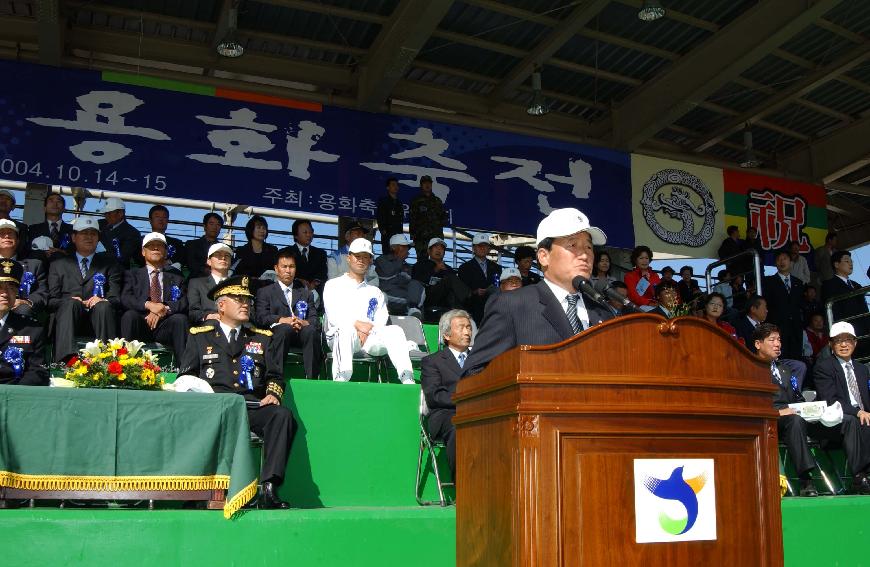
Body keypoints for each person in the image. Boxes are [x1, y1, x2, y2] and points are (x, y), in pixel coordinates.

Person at [178, 275, 296, 509]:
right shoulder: (200, 336)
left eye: (248, 300)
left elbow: (274, 375)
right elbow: (185, 377)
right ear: (221, 305)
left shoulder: (261, 339)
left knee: (282, 416)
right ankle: (198, 489)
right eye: (238, 298)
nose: (245, 304)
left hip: (250, 407)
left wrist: (273, 394)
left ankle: (269, 487)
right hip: (213, 410)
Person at [464, 208, 614, 375]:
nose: (585, 255)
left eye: (588, 247)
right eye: (573, 245)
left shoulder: (603, 312)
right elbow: (474, 374)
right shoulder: (512, 305)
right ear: (544, 256)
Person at [323, 238, 415, 384]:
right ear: (349, 258)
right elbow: (334, 317)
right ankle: (341, 379)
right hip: (342, 336)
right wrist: (358, 325)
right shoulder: (333, 285)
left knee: (395, 330)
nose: (361, 260)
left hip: (369, 337)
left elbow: (380, 320)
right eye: (357, 256)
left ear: (371, 260)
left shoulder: (375, 291)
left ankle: (407, 377)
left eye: (366, 257)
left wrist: (367, 331)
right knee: (344, 330)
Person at [753, 323, 819, 497]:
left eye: (779, 340)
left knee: (811, 418)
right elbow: (750, 404)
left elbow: (797, 397)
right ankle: (806, 479)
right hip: (768, 419)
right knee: (795, 421)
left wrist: (810, 408)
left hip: (791, 417)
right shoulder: (751, 370)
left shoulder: (785, 369)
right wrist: (778, 413)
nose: (777, 344)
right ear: (758, 344)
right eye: (772, 340)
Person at [47, 217, 122, 362]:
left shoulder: (110, 264)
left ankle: (107, 362)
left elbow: (115, 298)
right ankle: (65, 361)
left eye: (93, 234)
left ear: (98, 238)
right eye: (84, 233)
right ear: (74, 237)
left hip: (99, 320)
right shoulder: (58, 264)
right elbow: (51, 300)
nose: (89, 237)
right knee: (70, 304)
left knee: (104, 306)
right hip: (68, 320)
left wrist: (102, 299)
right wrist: (68, 301)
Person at [813, 322, 870, 495]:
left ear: (855, 343)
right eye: (838, 341)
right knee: (855, 420)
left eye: (848, 340)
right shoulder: (824, 367)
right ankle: (860, 477)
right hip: (834, 422)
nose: (844, 344)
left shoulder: (862, 369)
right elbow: (831, 400)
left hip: (859, 418)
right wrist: (858, 411)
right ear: (831, 344)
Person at [255, 248, 323, 380]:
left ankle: (312, 378)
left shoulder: (305, 293)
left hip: (301, 332)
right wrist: (282, 319)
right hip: (278, 334)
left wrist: (304, 322)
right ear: (276, 269)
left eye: (291, 266)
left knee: (311, 331)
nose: (288, 270)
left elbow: (315, 320)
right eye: (284, 266)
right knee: (284, 329)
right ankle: (275, 379)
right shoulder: (265, 292)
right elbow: (261, 317)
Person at [421, 309, 472, 480]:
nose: (467, 332)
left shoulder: (480, 361)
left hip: (478, 412)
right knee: (460, 425)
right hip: (446, 414)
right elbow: (435, 395)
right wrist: (466, 400)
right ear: (447, 335)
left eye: (469, 327)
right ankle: (463, 485)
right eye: (461, 327)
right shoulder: (432, 361)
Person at [120, 232, 189, 358]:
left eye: (160, 246)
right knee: (129, 316)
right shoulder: (132, 274)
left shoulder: (177, 277)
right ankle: (126, 364)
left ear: (166, 252)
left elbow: (183, 302)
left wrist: (162, 308)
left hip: (165, 325)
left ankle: (185, 371)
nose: (156, 248)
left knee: (181, 319)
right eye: (151, 246)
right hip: (141, 323)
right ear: (143, 252)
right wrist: (149, 305)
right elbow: (126, 298)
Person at [0, 259, 49, 386]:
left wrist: (14, 392)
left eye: (11, 288)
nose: (5, 293)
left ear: (17, 293)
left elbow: (38, 372)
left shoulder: (32, 329)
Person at [821, 250, 869, 359]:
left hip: (865, 332)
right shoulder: (829, 285)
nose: (851, 263)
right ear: (836, 264)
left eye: (851, 261)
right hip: (848, 333)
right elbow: (833, 312)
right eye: (847, 261)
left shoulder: (857, 285)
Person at [412, 237, 469, 322]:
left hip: (445, 301)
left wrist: (445, 272)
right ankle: (468, 296)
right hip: (427, 297)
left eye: (441, 248)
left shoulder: (448, 269)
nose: (439, 250)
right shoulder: (421, 265)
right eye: (436, 247)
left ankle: (461, 310)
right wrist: (435, 270)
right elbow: (417, 282)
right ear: (429, 251)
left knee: (452, 281)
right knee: (450, 278)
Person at [763, 248, 805, 360]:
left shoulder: (798, 283)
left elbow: (801, 305)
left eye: (784, 259)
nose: (782, 262)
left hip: (796, 328)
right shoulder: (768, 282)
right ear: (775, 263)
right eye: (779, 260)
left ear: (790, 262)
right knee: (780, 359)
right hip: (777, 328)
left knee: (796, 360)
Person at [0, 219, 47, 318]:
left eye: (10, 233)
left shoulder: (34, 265)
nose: (7, 236)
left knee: (23, 309)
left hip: (19, 310)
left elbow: (42, 292)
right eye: (2, 233)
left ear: (17, 240)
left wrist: (25, 301)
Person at [374, 234, 425, 317]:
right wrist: (399, 260)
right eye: (404, 247)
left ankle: (414, 311)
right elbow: (388, 276)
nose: (407, 250)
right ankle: (412, 308)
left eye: (408, 247)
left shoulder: (407, 266)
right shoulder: (382, 259)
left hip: (404, 296)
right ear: (394, 247)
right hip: (386, 295)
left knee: (417, 285)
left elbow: (408, 283)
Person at [458, 234, 500, 325]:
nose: (482, 248)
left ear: (489, 248)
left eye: (485, 246)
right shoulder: (464, 268)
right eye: (480, 246)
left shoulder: (497, 268)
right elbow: (462, 292)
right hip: (473, 310)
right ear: (473, 248)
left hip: (492, 310)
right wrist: (474, 292)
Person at [188, 243, 232, 323]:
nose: (223, 258)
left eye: (227, 255)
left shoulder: (238, 284)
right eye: (218, 255)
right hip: (208, 327)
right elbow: (193, 312)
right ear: (209, 261)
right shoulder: (196, 283)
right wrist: (207, 316)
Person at [27, 192, 73, 264]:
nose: (55, 204)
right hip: (40, 269)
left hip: (64, 270)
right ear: (44, 208)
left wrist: (62, 252)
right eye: (51, 201)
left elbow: (77, 252)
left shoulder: (72, 230)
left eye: (59, 201)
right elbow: (28, 251)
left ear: (64, 209)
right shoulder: (34, 229)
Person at [409, 175, 447, 260]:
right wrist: (413, 236)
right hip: (421, 238)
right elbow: (412, 219)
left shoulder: (437, 201)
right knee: (422, 262)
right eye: (424, 183)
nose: (427, 185)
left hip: (436, 236)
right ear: (421, 185)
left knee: (437, 262)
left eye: (429, 183)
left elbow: (444, 218)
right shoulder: (416, 201)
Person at [98, 197, 141, 269]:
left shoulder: (132, 233)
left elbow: (122, 258)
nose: (106, 216)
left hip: (116, 273)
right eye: (105, 213)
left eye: (109, 213)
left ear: (120, 213)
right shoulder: (99, 224)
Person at [289, 219, 327, 294]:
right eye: (305, 232)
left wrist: (315, 282)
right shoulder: (286, 252)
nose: (309, 235)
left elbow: (323, 273)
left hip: (315, 294)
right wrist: (298, 280)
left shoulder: (320, 253)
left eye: (311, 232)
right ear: (296, 235)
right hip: (292, 292)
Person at [185, 212, 223, 280]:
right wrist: (205, 270)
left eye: (218, 224)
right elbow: (191, 264)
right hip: (196, 280)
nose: (215, 227)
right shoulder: (191, 244)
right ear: (205, 226)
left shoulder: (224, 248)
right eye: (211, 224)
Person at [376, 177, 404, 254]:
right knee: (387, 257)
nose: (396, 187)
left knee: (398, 257)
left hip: (398, 235)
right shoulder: (384, 201)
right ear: (388, 187)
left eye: (397, 185)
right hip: (387, 235)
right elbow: (380, 217)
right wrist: (384, 232)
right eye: (393, 185)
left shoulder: (399, 203)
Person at [0, 189, 28, 258]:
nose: (3, 201)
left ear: (13, 207)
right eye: (1, 198)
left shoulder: (21, 227)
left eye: (7, 199)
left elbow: (21, 250)